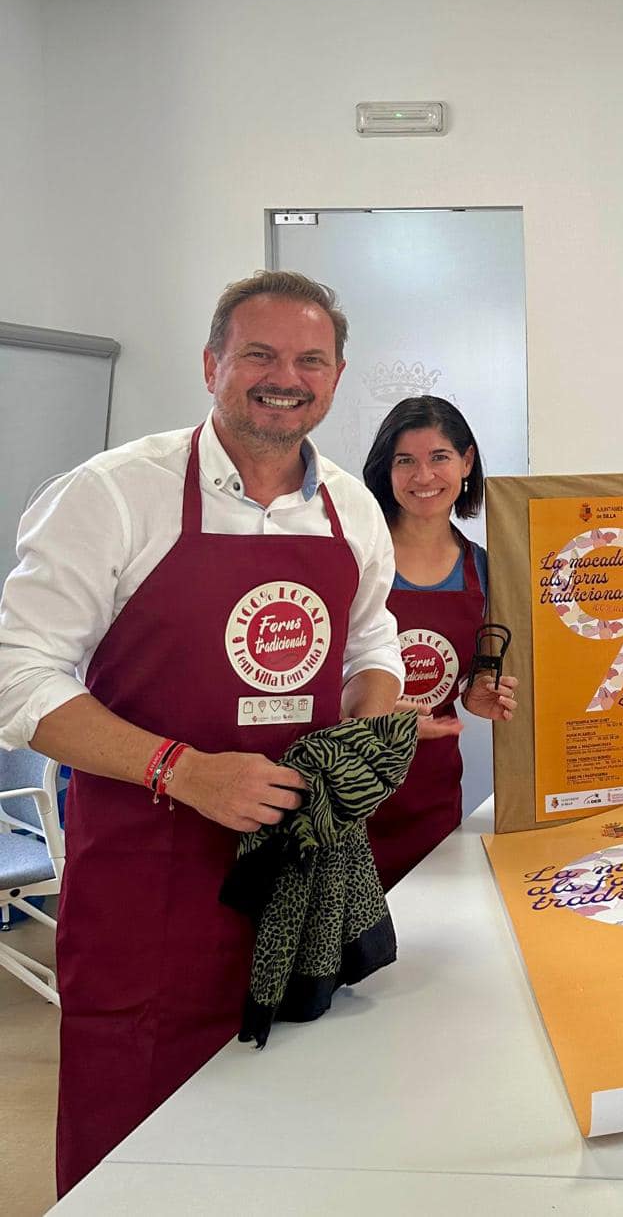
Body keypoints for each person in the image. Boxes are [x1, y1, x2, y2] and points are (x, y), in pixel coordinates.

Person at [0, 270, 405, 1195]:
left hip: (296, 878)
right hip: (148, 879)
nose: (284, 376)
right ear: (212, 362)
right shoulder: (111, 494)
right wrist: (180, 769)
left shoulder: (350, 507)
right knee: (131, 1128)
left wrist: (372, 721)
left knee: (287, 1125)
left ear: (337, 376)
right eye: (258, 353)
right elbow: (16, 676)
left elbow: (369, 638)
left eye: (310, 359)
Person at [360, 395, 516, 889]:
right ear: (386, 469)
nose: (423, 476)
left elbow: (476, 669)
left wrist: (475, 691)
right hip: (350, 790)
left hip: (432, 790)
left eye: (439, 458)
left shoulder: (484, 569)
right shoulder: (357, 556)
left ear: (466, 462)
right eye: (405, 460)